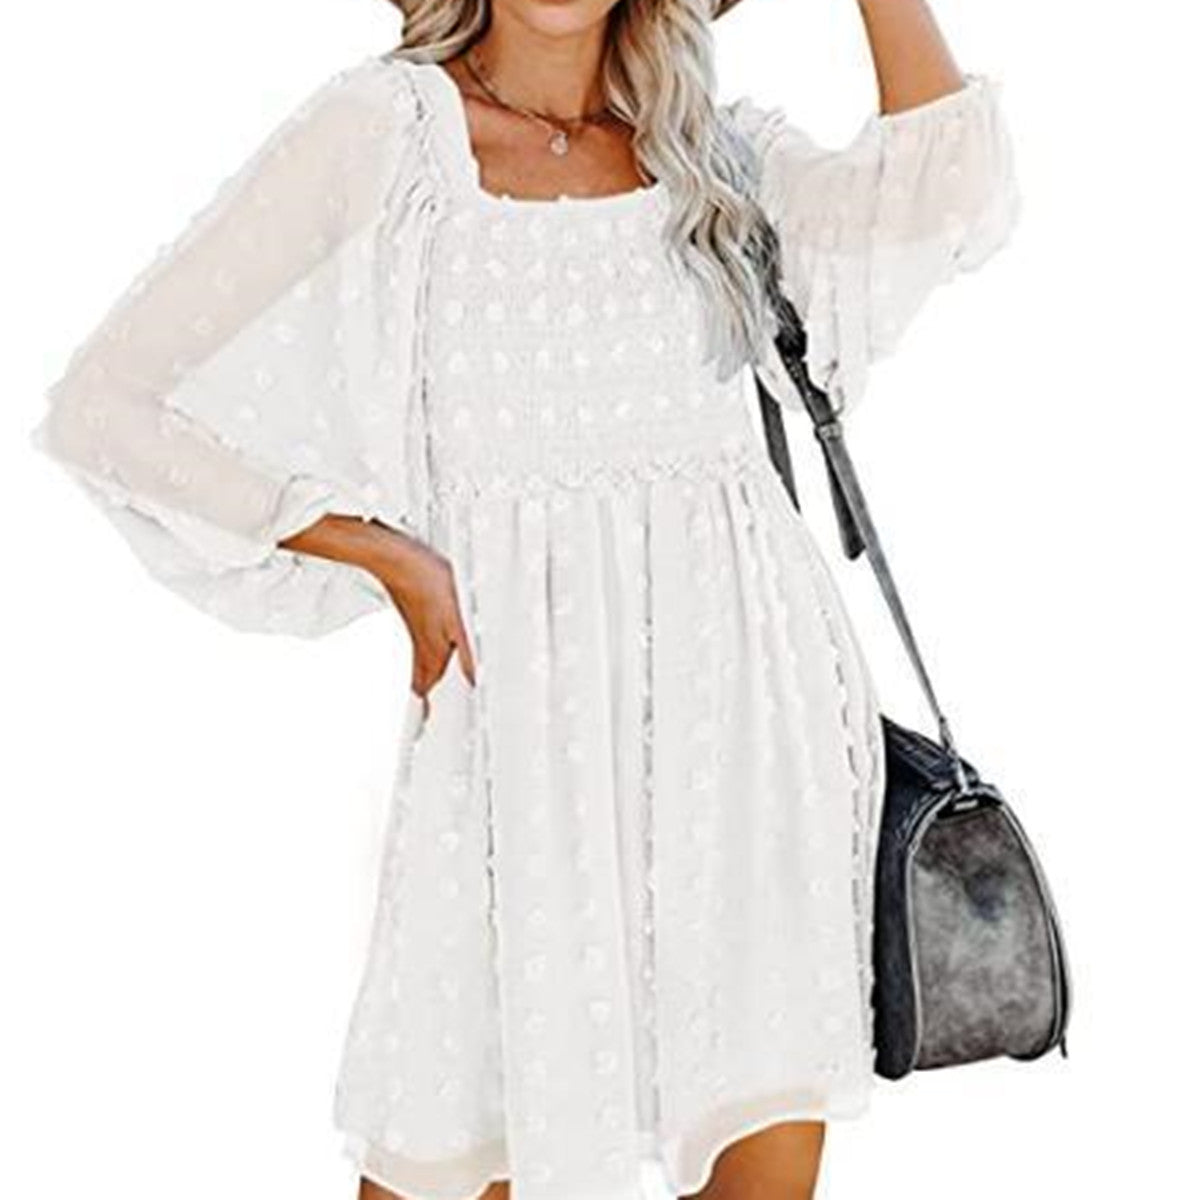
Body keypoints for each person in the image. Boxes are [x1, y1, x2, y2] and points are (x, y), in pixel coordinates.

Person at [29, 1, 1020, 1197]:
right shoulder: (389, 135)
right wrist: (383, 553)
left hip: (752, 741)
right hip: (510, 761)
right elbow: (109, 406)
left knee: (756, 1151)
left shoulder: (717, 153)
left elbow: (952, 195)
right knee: (450, 1151)